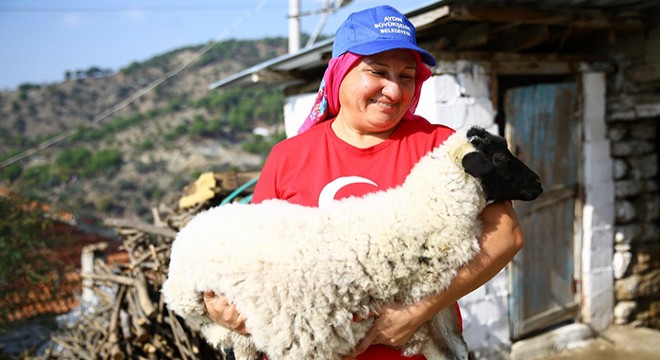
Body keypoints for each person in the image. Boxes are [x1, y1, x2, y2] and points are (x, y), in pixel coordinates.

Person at [203, 5, 523, 360]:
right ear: (340, 72)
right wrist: (221, 307)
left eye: (406, 76)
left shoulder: (441, 147)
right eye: (378, 71)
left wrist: (418, 311)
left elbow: (507, 234)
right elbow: (245, 254)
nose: (394, 90)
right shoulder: (289, 157)